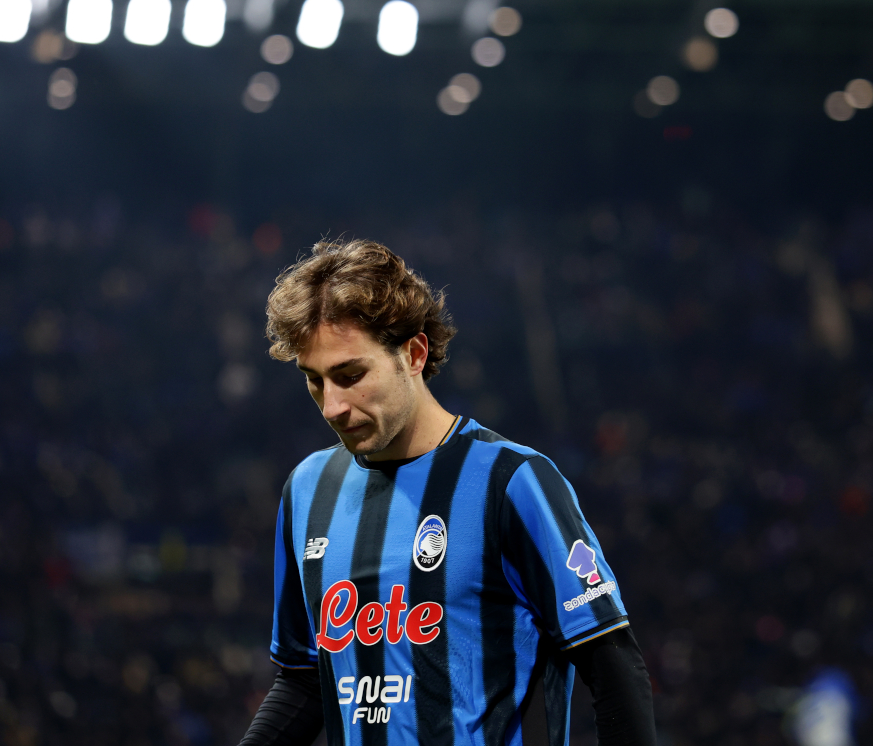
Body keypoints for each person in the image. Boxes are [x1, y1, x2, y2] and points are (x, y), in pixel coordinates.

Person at [238, 239, 656, 746]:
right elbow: (306, 680)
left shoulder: (512, 481)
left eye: (350, 376)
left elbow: (613, 670)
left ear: (413, 354)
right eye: (315, 381)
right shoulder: (307, 490)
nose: (332, 407)